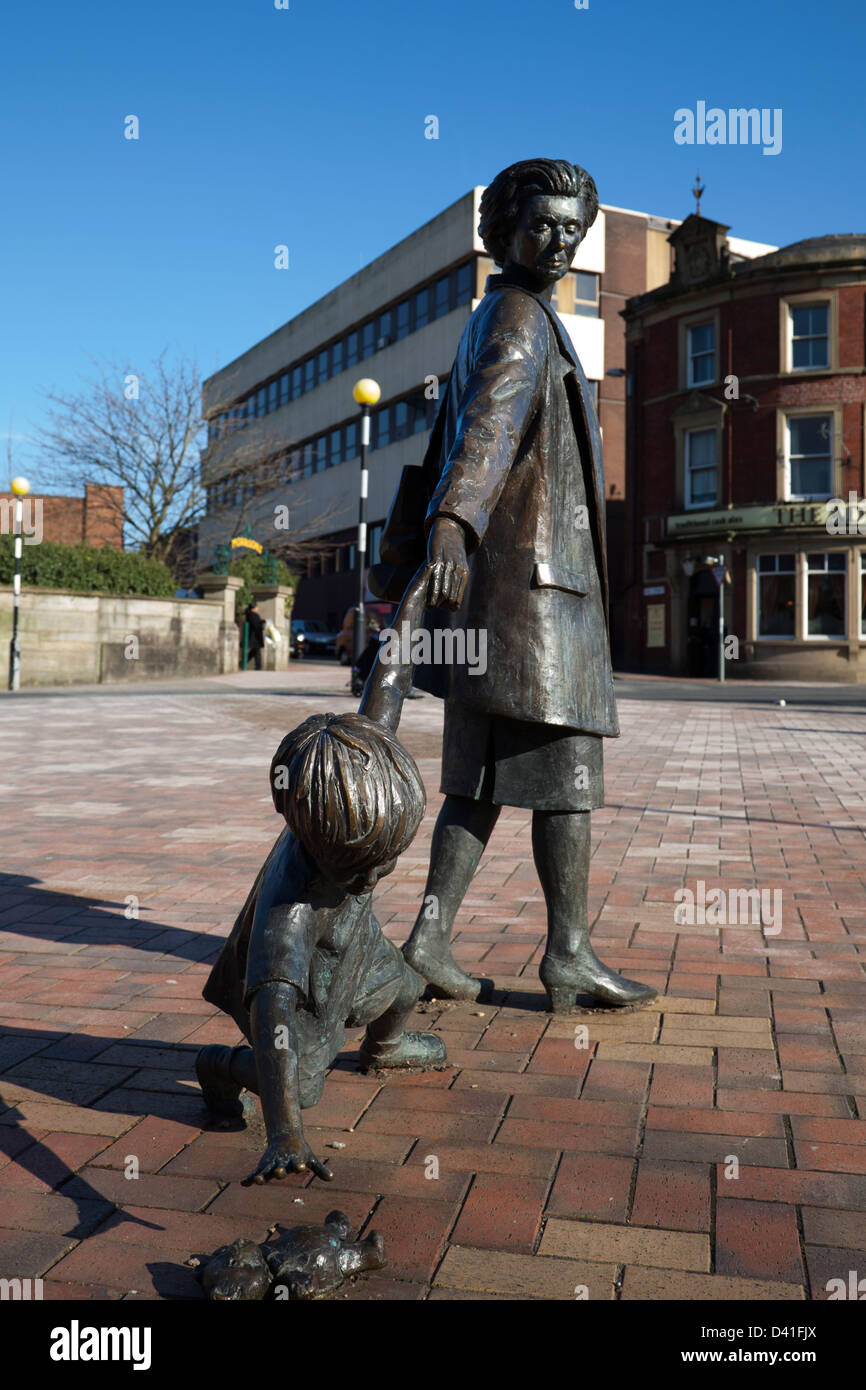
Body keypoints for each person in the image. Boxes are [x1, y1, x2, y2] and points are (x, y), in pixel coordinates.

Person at [397, 158, 657, 1011]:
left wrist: (456, 533)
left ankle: (431, 941)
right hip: (538, 598)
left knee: (479, 781)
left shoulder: (504, 311)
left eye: (572, 230)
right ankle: (568, 954)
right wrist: (454, 523)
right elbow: (490, 427)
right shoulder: (519, 317)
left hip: (501, 594)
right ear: (503, 231)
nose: (559, 242)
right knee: (565, 780)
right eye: (541, 225)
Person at [198, 566, 445, 1185]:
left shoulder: (360, 772)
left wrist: (416, 594)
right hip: (309, 970)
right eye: (366, 865)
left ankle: (385, 1047)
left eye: (387, 859)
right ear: (325, 846)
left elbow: (388, 680)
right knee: (298, 1082)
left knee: (407, 986)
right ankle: (219, 1067)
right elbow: (273, 1013)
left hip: (353, 941)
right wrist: (285, 1133)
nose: (379, 873)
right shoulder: (290, 914)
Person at [244, 600, 265, 670]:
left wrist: (262, 621)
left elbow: (256, 622)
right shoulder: (252, 614)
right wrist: (262, 622)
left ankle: (243, 662)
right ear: (254, 607)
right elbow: (255, 624)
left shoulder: (250, 614)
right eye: (257, 607)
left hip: (255, 636)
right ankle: (258, 667)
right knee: (256, 652)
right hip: (255, 636)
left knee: (254, 651)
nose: (257, 608)